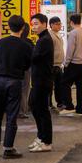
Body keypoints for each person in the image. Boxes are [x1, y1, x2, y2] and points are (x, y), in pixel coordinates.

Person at [0, 15, 32, 159]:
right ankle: (8, 149)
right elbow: (28, 65)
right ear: (22, 28)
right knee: (11, 115)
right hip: (15, 81)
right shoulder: (25, 45)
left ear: (8, 26)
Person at [29, 14, 54, 152]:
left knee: (42, 111)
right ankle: (40, 137)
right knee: (34, 107)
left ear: (44, 24)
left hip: (43, 81)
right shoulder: (42, 39)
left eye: (37, 23)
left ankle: (46, 141)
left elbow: (34, 57)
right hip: (39, 80)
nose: (34, 26)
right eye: (32, 24)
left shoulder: (44, 40)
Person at [59, 14, 82, 116]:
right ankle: (79, 108)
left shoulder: (73, 33)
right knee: (80, 86)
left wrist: (66, 63)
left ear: (71, 22)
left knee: (64, 83)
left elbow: (70, 50)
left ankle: (69, 106)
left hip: (74, 63)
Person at [48, 16, 65, 110]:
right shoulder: (49, 35)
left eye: (60, 24)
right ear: (51, 25)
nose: (59, 26)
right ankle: (49, 103)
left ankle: (60, 102)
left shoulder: (58, 34)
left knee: (59, 85)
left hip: (59, 64)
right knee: (50, 86)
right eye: (57, 24)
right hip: (52, 64)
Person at [19, 23, 34, 119]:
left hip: (13, 69)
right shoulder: (29, 42)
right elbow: (33, 57)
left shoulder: (11, 41)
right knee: (25, 90)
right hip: (26, 70)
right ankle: (22, 111)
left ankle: (14, 110)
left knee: (15, 90)